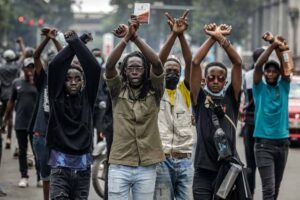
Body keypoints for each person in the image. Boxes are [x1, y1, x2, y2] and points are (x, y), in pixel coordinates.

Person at [106, 16, 165, 199]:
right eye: (130, 68)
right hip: (119, 165)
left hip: (146, 167)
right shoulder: (117, 91)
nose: (134, 71)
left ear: (145, 71)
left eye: (138, 68)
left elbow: (157, 63)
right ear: (124, 71)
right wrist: (125, 39)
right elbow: (109, 66)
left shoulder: (155, 92)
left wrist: (135, 38)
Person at [190, 23, 243, 199]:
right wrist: (212, 37)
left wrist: (222, 39)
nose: (215, 81)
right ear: (204, 80)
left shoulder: (231, 97)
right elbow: (195, 62)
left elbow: (238, 62)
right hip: (203, 171)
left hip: (227, 169)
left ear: (225, 82)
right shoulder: (199, 97)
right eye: (211, 78)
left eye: (220, 79)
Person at [46, 30, 100, 200]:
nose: (74, 82)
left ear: (83, 82)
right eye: (69, 78)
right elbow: (55, 67)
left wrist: (79, 42)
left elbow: (94, 68)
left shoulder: (88, 98)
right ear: (63, 82)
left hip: (83, 168)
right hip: (60, 167)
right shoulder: (56, 97)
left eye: (78, 78)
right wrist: (76, 43)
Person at [154, 10, 194, 200]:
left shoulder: (185, 91)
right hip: (161, 160)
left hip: (185, 159)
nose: (172, 73)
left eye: (175, 71)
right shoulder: (155, 91)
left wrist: (181, 35)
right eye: (168, 70)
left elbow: (190, 63)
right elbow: (157, 62)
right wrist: (173, 35)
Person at [253, 32, 291, 200]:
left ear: (278, 74)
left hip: (283, 144)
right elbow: (257, 66)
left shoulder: (284, 86)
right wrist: (273, 46)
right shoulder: (259, 88)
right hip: (263, 145)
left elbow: (287, 68)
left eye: (273, 72)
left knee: (275, 191)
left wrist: (279, 48)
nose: (269, 74)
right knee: (268, 190)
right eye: (267, 71)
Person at [30, 27, 62, 199]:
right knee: (46, 175)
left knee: (60, 173)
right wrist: (47, 39)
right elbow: (35, 56)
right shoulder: (43, 79)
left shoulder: (66, 80)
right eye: (51, 63)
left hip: (59, 135)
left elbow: (67, 57)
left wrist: (56, 40)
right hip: (41, 134)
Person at [3, 57, 39, 188]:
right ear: (23, 69)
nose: (30, 70)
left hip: (36, 123)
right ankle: (24, 176)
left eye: (32, 67)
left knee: (37, 151)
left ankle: (40, 177)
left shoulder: (39, 83)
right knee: (22, 151)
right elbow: (10, 103)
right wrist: (5, 121)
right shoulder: (16, 83)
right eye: (28, 67)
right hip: (21, 122)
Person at [241, 47, 265, 195]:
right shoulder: (268, 76)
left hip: (249, 122)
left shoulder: (247, 75)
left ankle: (250, 193)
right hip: (261, 124)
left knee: (251, 163)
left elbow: (244, 95)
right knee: (264, 163)